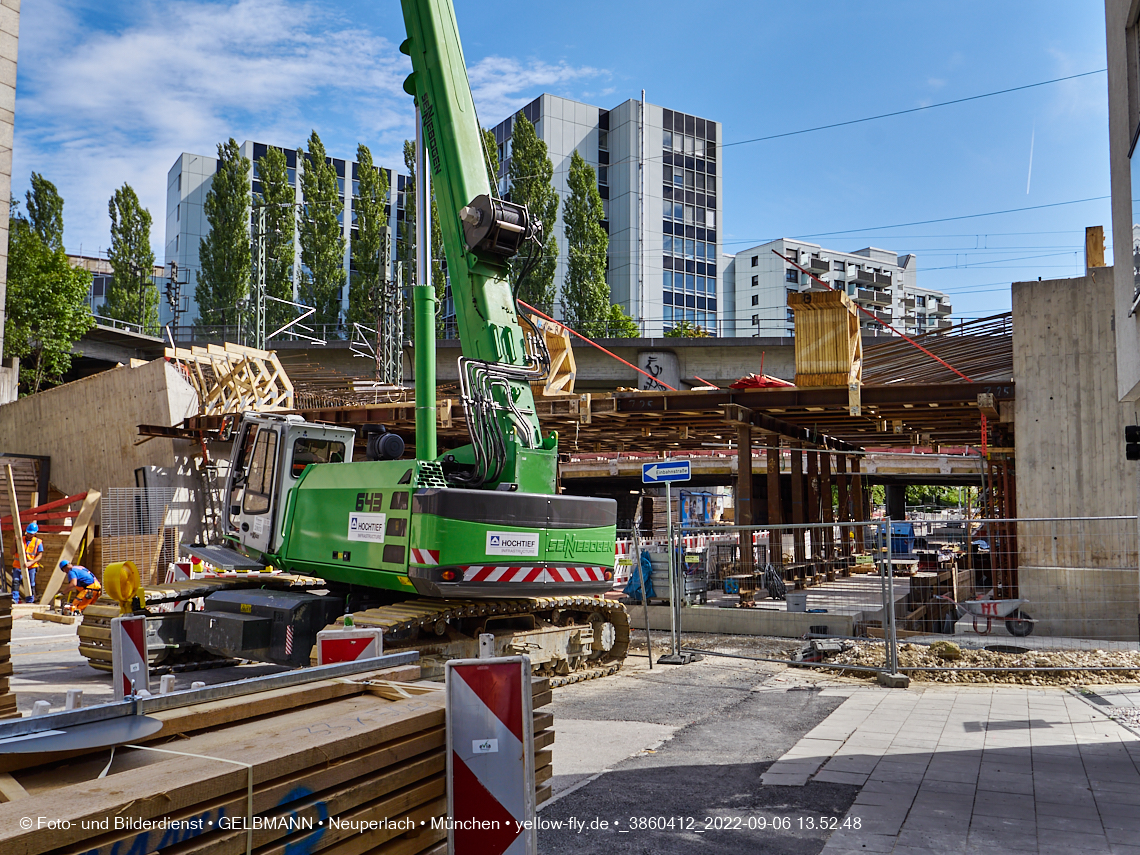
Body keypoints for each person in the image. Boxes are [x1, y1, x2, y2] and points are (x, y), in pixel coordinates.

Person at [13, 522, 43, 604]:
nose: (29, 535)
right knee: (16, 582)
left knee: (31, 583)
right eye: (29, 533)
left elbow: (39, 555)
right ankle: (14, 599)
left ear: (35, 533)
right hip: (18, 565)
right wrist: (14, 542)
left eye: (31, 534)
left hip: (31, 567)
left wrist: (31, 563)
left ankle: (30, 600)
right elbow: (12, 552)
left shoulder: (38, 542)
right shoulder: (20, 539)